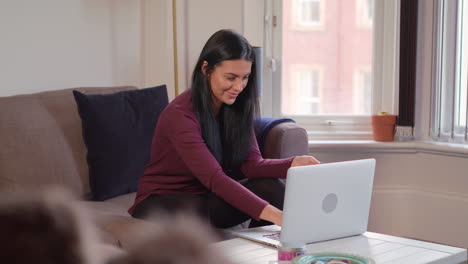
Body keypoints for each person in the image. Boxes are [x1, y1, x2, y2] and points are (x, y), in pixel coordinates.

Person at [128, 29, 320, 228]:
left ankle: (266, 250)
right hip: (160, 202)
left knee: (270, 186)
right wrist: (277, 216)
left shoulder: (236, 106)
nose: (239, 86)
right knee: (218, 205)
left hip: (204, 194)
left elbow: (251, 165)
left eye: (245, 77)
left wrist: (293, 163)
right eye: (231, 77)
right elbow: (215, 179)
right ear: (206, 69)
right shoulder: (180, 114)